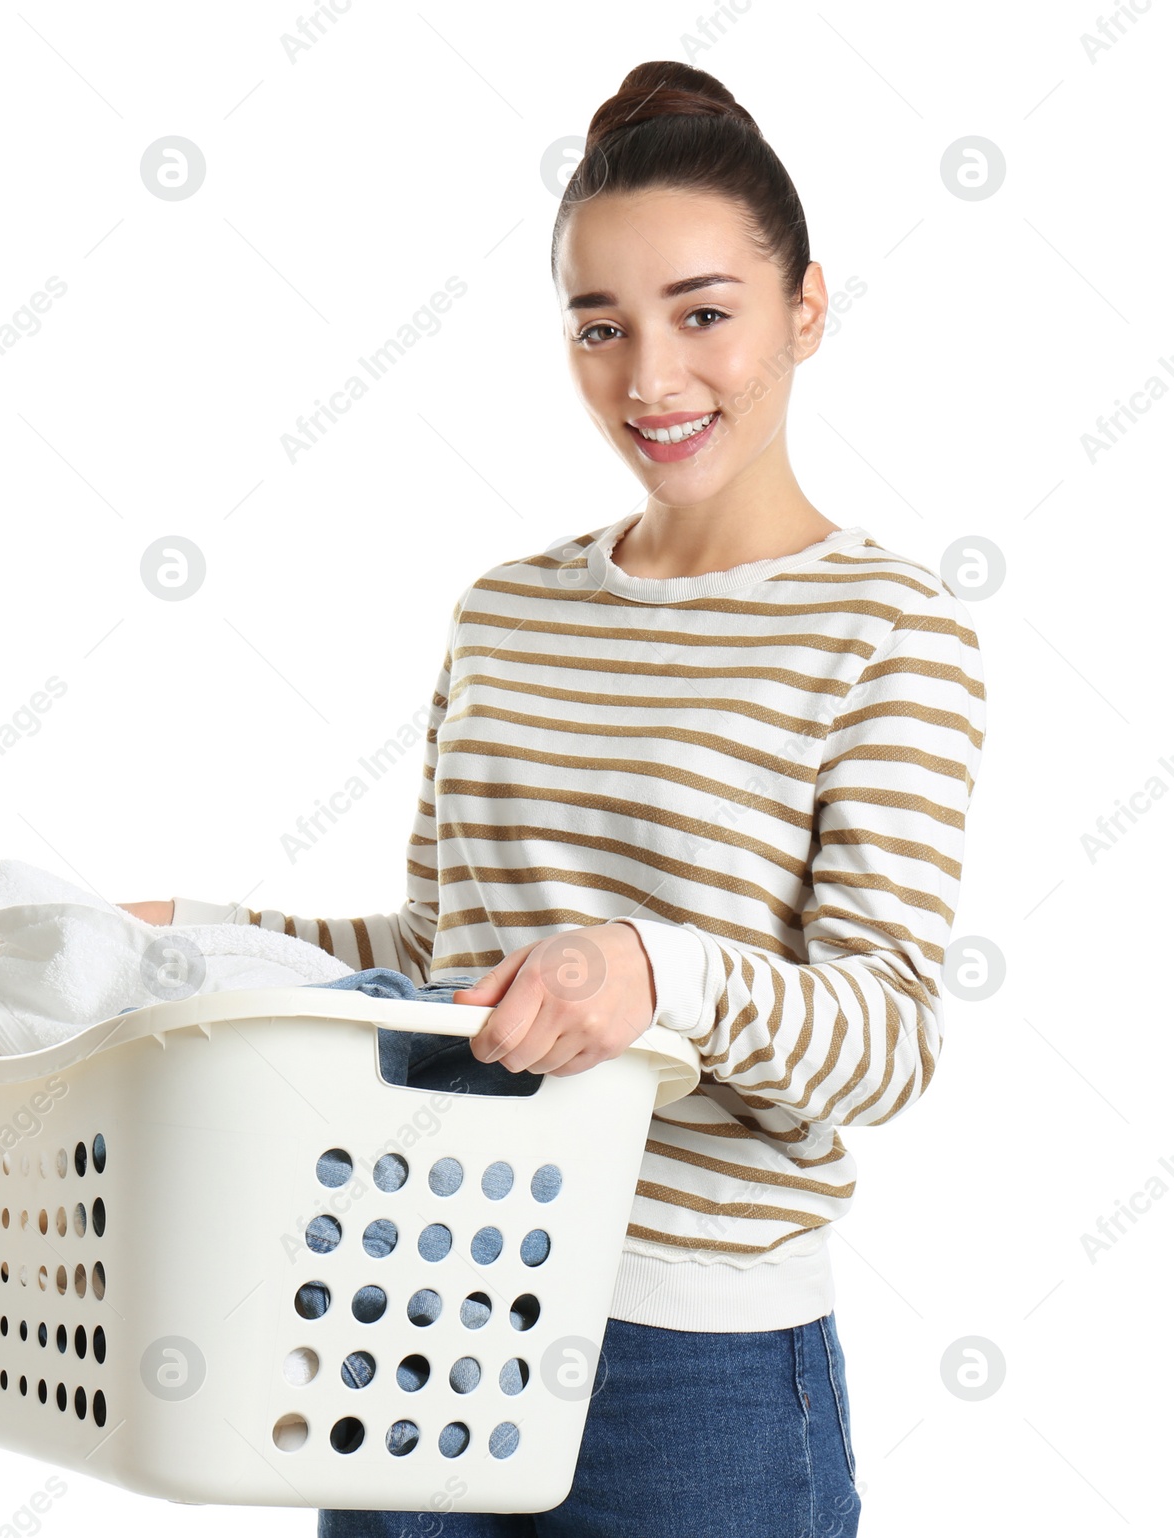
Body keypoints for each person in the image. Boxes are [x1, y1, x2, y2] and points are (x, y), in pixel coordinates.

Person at [123, 58, 984, 1538]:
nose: (650, 379)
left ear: (809, 308)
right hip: (408, 1301)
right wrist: (176, 934)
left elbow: (887, 1036)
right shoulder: (507, 611)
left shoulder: (888, 629)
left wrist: (655, 971)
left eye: (703, 313)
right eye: (602, 327)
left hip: (695, 1370)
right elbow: (434, 956)